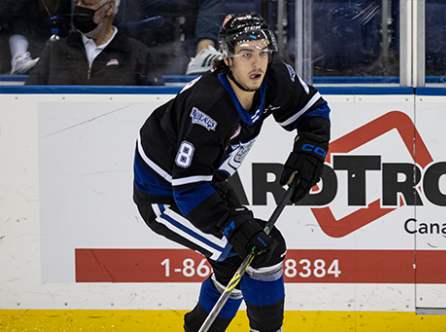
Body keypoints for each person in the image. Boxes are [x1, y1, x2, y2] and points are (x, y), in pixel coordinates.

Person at [132, 12, 331, 332]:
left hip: (207, 181)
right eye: (246, 54)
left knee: (246, 256)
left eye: (264, 51)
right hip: (164, 195)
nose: (258, 63)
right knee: (250, 253)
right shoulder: (208, 107)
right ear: (226, 59)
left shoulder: (275, 81)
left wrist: (310, 151)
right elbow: (187, 187)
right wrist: (233, 224)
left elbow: (314, 110)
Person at [25, 0, 163, 85]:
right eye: (77, 3)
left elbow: (153, 104)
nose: (79, 8)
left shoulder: (136, 52)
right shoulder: (56, 49)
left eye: (87, 3)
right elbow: (29, 94)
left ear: (109, 7)